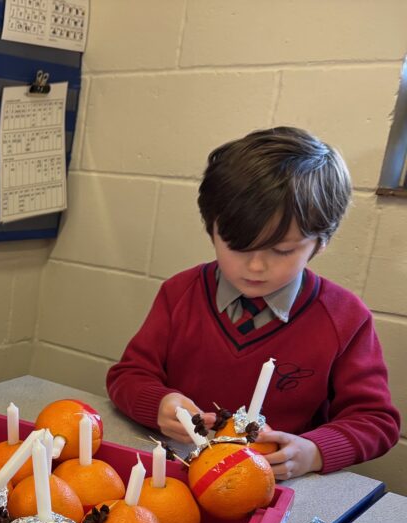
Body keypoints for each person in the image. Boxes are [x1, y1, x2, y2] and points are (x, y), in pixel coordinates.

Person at [106, 127, 400, 480]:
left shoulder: (344, 317)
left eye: (283, 250)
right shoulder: (180, 293)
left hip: (275, 484)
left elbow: (376, 422)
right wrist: (159, 404)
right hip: (178, 473)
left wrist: (315, 451)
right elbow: (128, 376)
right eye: (238, 247)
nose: (257, 266)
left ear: (320, 243)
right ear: (211, 229)